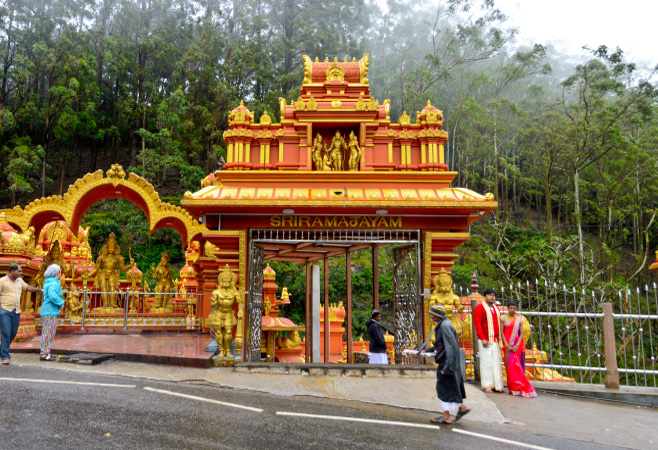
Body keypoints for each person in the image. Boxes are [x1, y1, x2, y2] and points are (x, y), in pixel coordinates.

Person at [429, 304, 470, 424]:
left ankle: (446, 416)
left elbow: (450, 347)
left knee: (444, 388)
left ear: (437, 314)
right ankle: (461, 408)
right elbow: (441, 345)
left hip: (448, 362)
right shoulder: (443, 324)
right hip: (448, 362)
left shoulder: (445, 326)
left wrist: (448, 366)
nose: (430, 316)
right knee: (450, 387)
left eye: (432, 313)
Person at [0, 264, 42, 365]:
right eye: (19, 271)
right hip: (5, 310)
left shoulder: (20, 281)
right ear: (12, 271)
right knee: (5, 332)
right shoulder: (2, 281)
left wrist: (40, 290)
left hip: (16, 311)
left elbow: (27, 288)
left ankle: (2, 349)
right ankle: (5, 356)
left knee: (13, 333)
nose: (21, 273)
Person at [502, 301, 537, 398]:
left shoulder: (519, 319)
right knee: (509, 367)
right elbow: (501, 332)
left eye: (514, 308)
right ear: (507, 308)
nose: (512, 310)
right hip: (507, 344)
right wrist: (505, 343)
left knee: (516, 366)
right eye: (510, 308)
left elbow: (521, 334)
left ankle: (519, 387)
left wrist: (517, 345)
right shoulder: (503, 318)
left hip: (516, 344)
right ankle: (512, 387)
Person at [474, 288, 504, 393]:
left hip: (495, 339)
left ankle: (497, 385)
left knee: (496, 362)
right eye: (490, 295)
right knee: (486, 362)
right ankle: (487, 385)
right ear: (485, 296)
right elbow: (477, 324)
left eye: (493, 296)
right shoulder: (479, 308)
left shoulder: (496, 309)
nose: (492, 297)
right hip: (485, 339)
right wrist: (482, 338)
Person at [39, 264, 65, 361]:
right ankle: (44, 354)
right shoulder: (53, 283)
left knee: (49, 332)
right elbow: (52, 295)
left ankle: (46, 352)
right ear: (57, 272)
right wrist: (61, 303)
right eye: (59, 271)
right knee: (48, 332)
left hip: (49, 311)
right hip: (49, 311)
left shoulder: (49, 282)